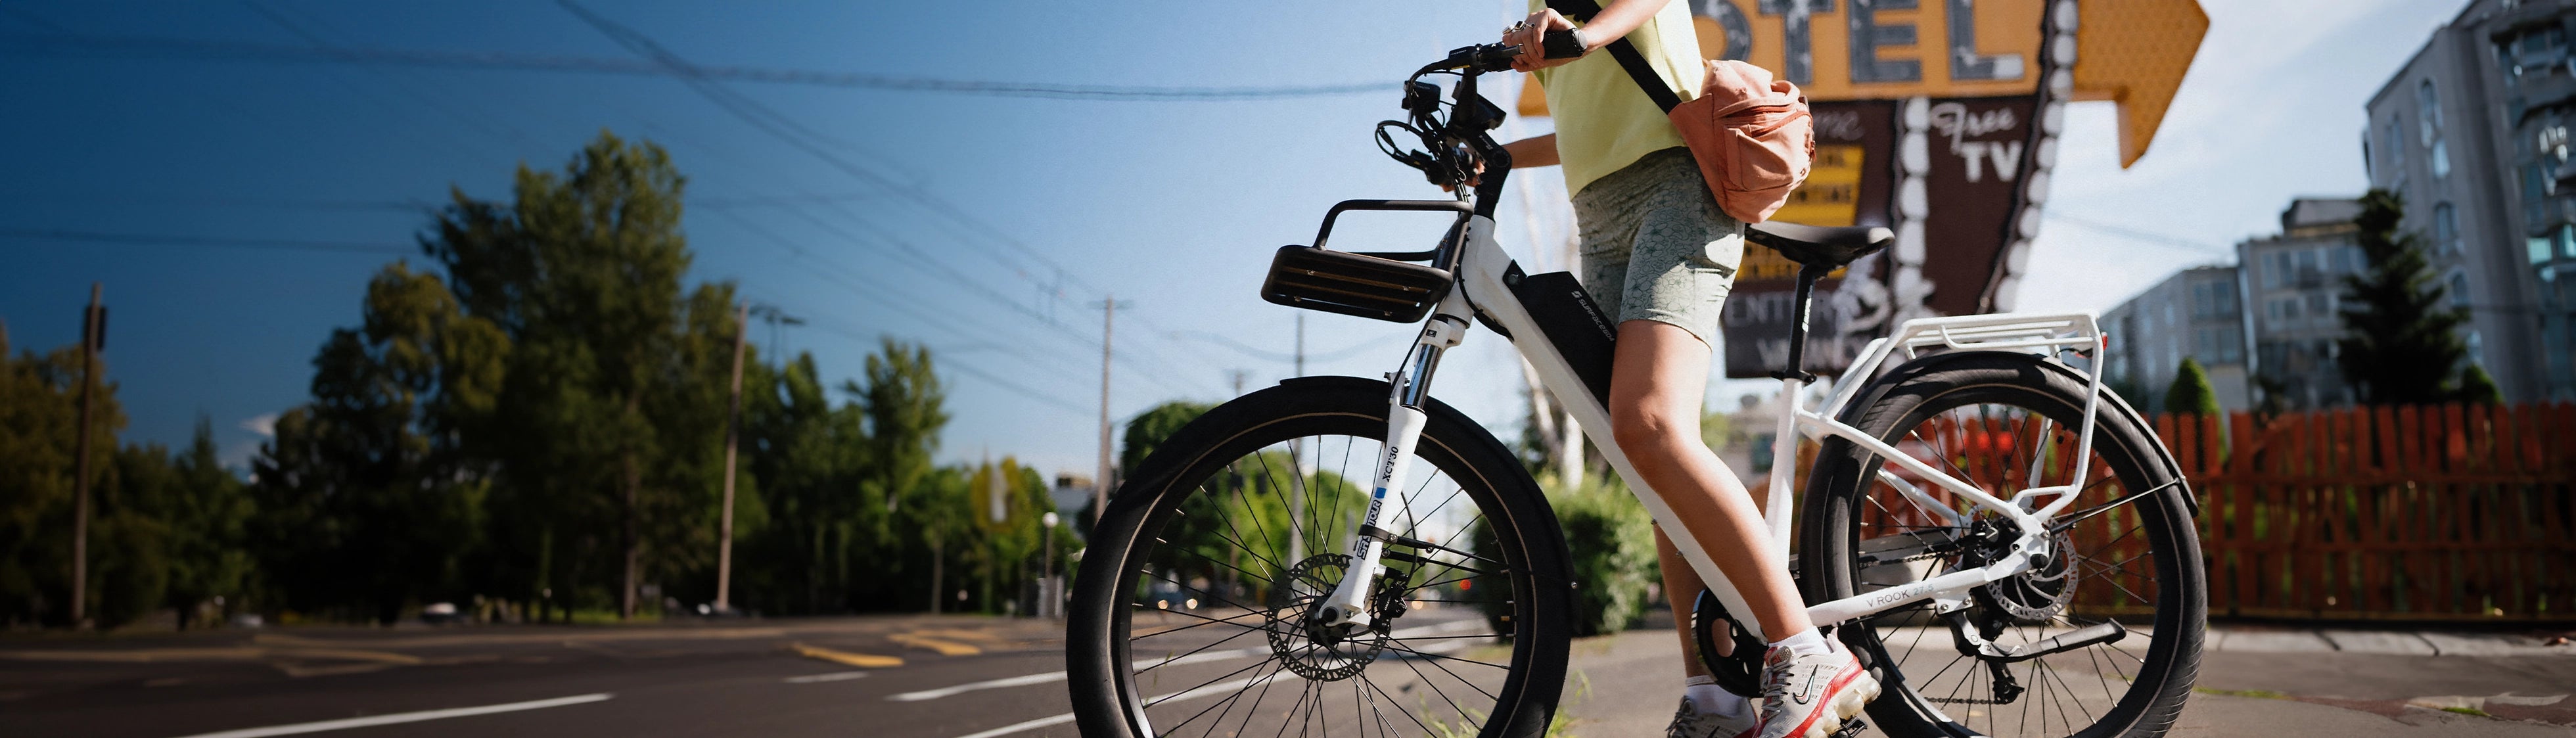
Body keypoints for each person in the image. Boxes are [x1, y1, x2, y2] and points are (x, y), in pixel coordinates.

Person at [1496, 3, 1879, 738]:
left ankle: (1806, 653)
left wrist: (1585, 33)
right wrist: (1499, 156)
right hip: (1598, 212)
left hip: (1676, 183)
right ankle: (1712, 697)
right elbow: (1592, 123)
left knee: (1649, 422)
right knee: (1645, 459)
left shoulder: (1577, 15)